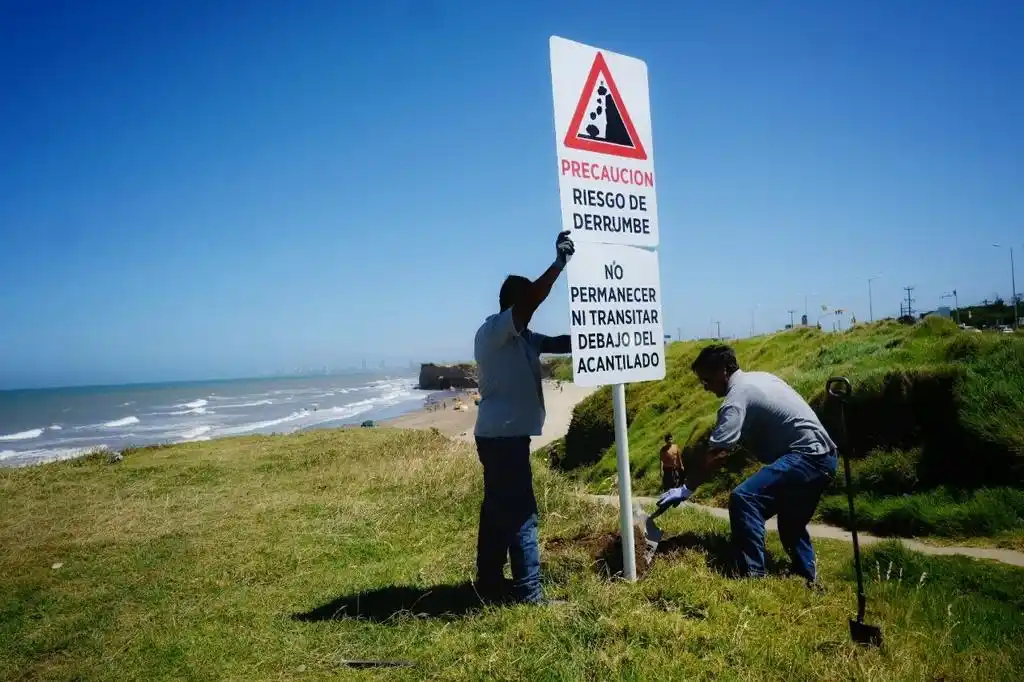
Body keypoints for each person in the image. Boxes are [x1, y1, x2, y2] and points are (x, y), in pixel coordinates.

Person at [657, 344, 838, 586]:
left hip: (806, 456)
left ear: (723, 370)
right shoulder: (760, 378)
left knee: (745, 499)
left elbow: (717, 455)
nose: (705, 387)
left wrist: (686, 488)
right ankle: (808, 580)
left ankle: (753, 580)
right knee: (791, 525)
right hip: (826, 456)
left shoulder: (736, 398)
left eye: (706, 380)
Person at [472, 230, 575, 604]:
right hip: (502, 439)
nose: (534, 310)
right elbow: (531, 300)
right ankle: (530, 595)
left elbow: (558, 344)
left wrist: (603, 333)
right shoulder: (494, 331)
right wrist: (559, 265)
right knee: (522, 514)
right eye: (528, 304)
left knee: (498, 512)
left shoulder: (523, 337)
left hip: (504, 437)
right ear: (514, 305)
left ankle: (488, 581)